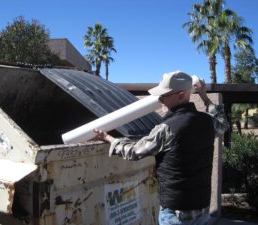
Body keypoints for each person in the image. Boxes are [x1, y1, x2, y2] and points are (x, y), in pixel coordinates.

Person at [94, 71, 229, 225]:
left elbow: (134, 152)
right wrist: (204, 97)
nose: (160, 99)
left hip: (176, 213)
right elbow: (223, 125)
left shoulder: (167, 128)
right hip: (202, 207)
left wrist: (109, 138)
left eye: (164, 95)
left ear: (181, 95)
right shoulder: (207, 122)